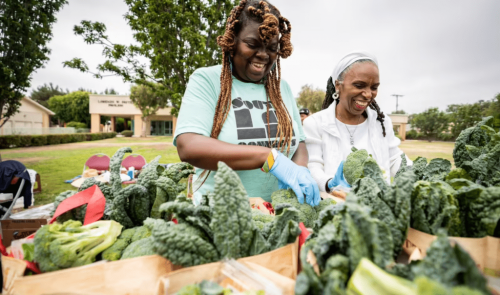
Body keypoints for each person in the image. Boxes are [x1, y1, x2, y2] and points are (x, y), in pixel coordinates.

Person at [174, 0, 320, 206]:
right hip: (222, 216)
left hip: (278, 214)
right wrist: (269, 158)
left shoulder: (282, 88)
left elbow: (299, 143)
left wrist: (300, 170)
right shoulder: (207, 80)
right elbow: (189, 146)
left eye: (271, 48)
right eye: (252, 44)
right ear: (232, 41)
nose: (262, 55)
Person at [303, 51, 412, 193]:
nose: (368, 94)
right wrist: (329, 184)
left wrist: (417, 176)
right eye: (359, 86)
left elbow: (395, 159)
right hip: (334, 209)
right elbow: (312, 166)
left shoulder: (382, 122)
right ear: (337, 85)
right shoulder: (315, 124)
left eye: (374, 88)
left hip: (377, 209)